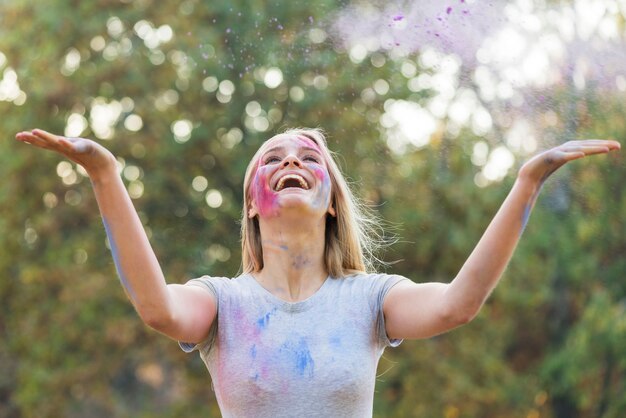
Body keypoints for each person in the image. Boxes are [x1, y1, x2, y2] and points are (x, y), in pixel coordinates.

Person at [14, 128, 620, 417]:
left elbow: (458, 304)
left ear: (332, 199)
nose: (291, 163)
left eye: (308, 158)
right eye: (272, 159)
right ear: (253, 201)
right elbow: (156, 308)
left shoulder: (371, 301)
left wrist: (525, 182)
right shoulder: (221, 303)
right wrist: (105, 176)